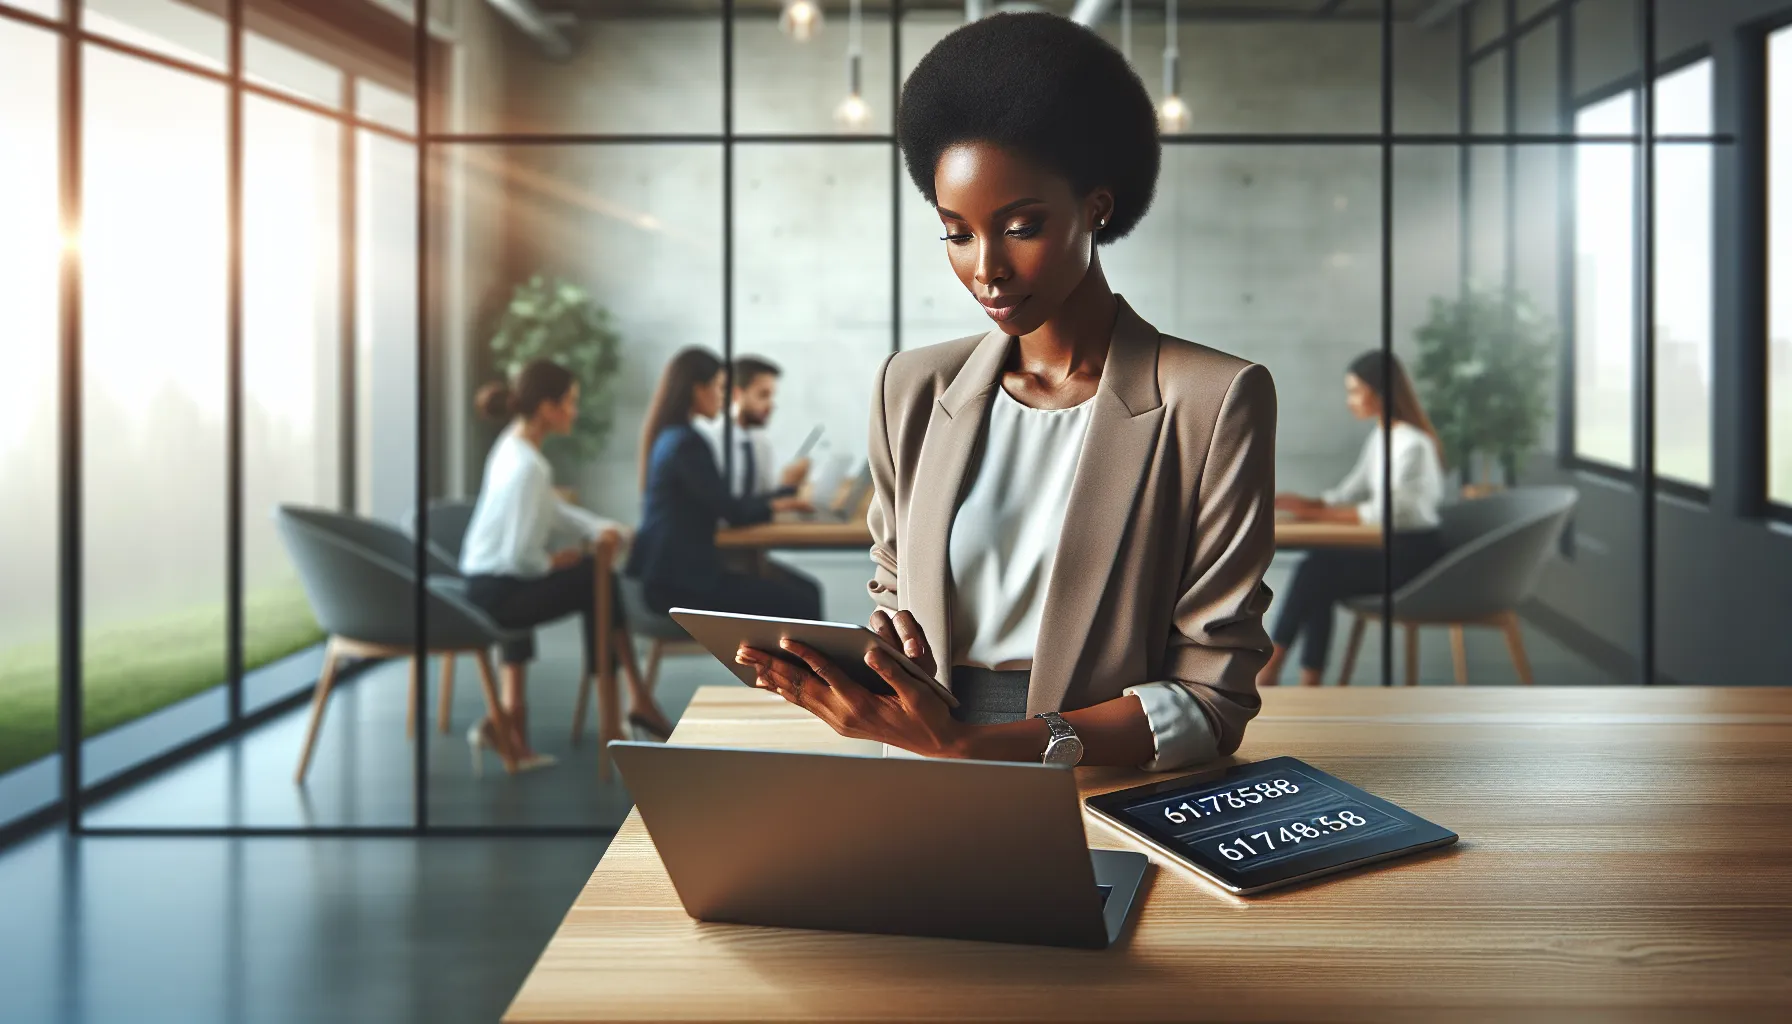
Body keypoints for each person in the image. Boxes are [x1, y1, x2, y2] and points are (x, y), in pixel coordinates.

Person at [735, 13, 1277, 772]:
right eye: (957, 232)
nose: (986, 268)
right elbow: (894, 591)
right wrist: (873, 684)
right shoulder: (912, 388)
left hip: (1095, 777)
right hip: (918, 764)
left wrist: (977, 746)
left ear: (1097, 205)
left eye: (1021, 226)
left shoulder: (1213, 400)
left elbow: (1213, 700)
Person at [460, 359, 675, 770]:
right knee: (595, 583)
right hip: (497, 592)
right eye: (570, 402)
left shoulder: (512, 445)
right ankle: (623, 701)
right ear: (546, 407)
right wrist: (552, 561)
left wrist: (601, 527)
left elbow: (552, 512)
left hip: (480, 582)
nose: (575, 412)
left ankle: (510, 722)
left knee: (591, 577)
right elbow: (520, 558)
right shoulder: (530, 468)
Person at [1258, 350, 1447, 688]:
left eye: (1356, 391)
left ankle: (1273, 668)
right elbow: (1350, 491)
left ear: (1381, 393)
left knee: (1315, 570)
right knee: (1318, 573)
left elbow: (1388, 513)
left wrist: (1314, 514)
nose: (1350, 401)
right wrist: (1304, 503)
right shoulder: (1381, 436)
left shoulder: (1413, 444)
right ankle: (1305, 681)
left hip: (1414, 558)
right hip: (1390, 548)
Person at [627, 348, 824, 619]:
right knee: (800, 601)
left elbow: (724, 504)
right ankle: (797, 662)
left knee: (804, 593)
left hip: (676, 577)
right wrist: (779, 501)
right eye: (719, 388)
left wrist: (782, 496)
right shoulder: (687, 444)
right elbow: (732, 511)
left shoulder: (672, 436)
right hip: (678, 586)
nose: (723, 398)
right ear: (698, 389)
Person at [699, 356, 811, 500]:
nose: (771, 405)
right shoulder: (708, 442)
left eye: (772, 396)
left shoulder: (761, 444)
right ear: (736, 395)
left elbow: (764, 501)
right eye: (763, 395)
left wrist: (788, 485)